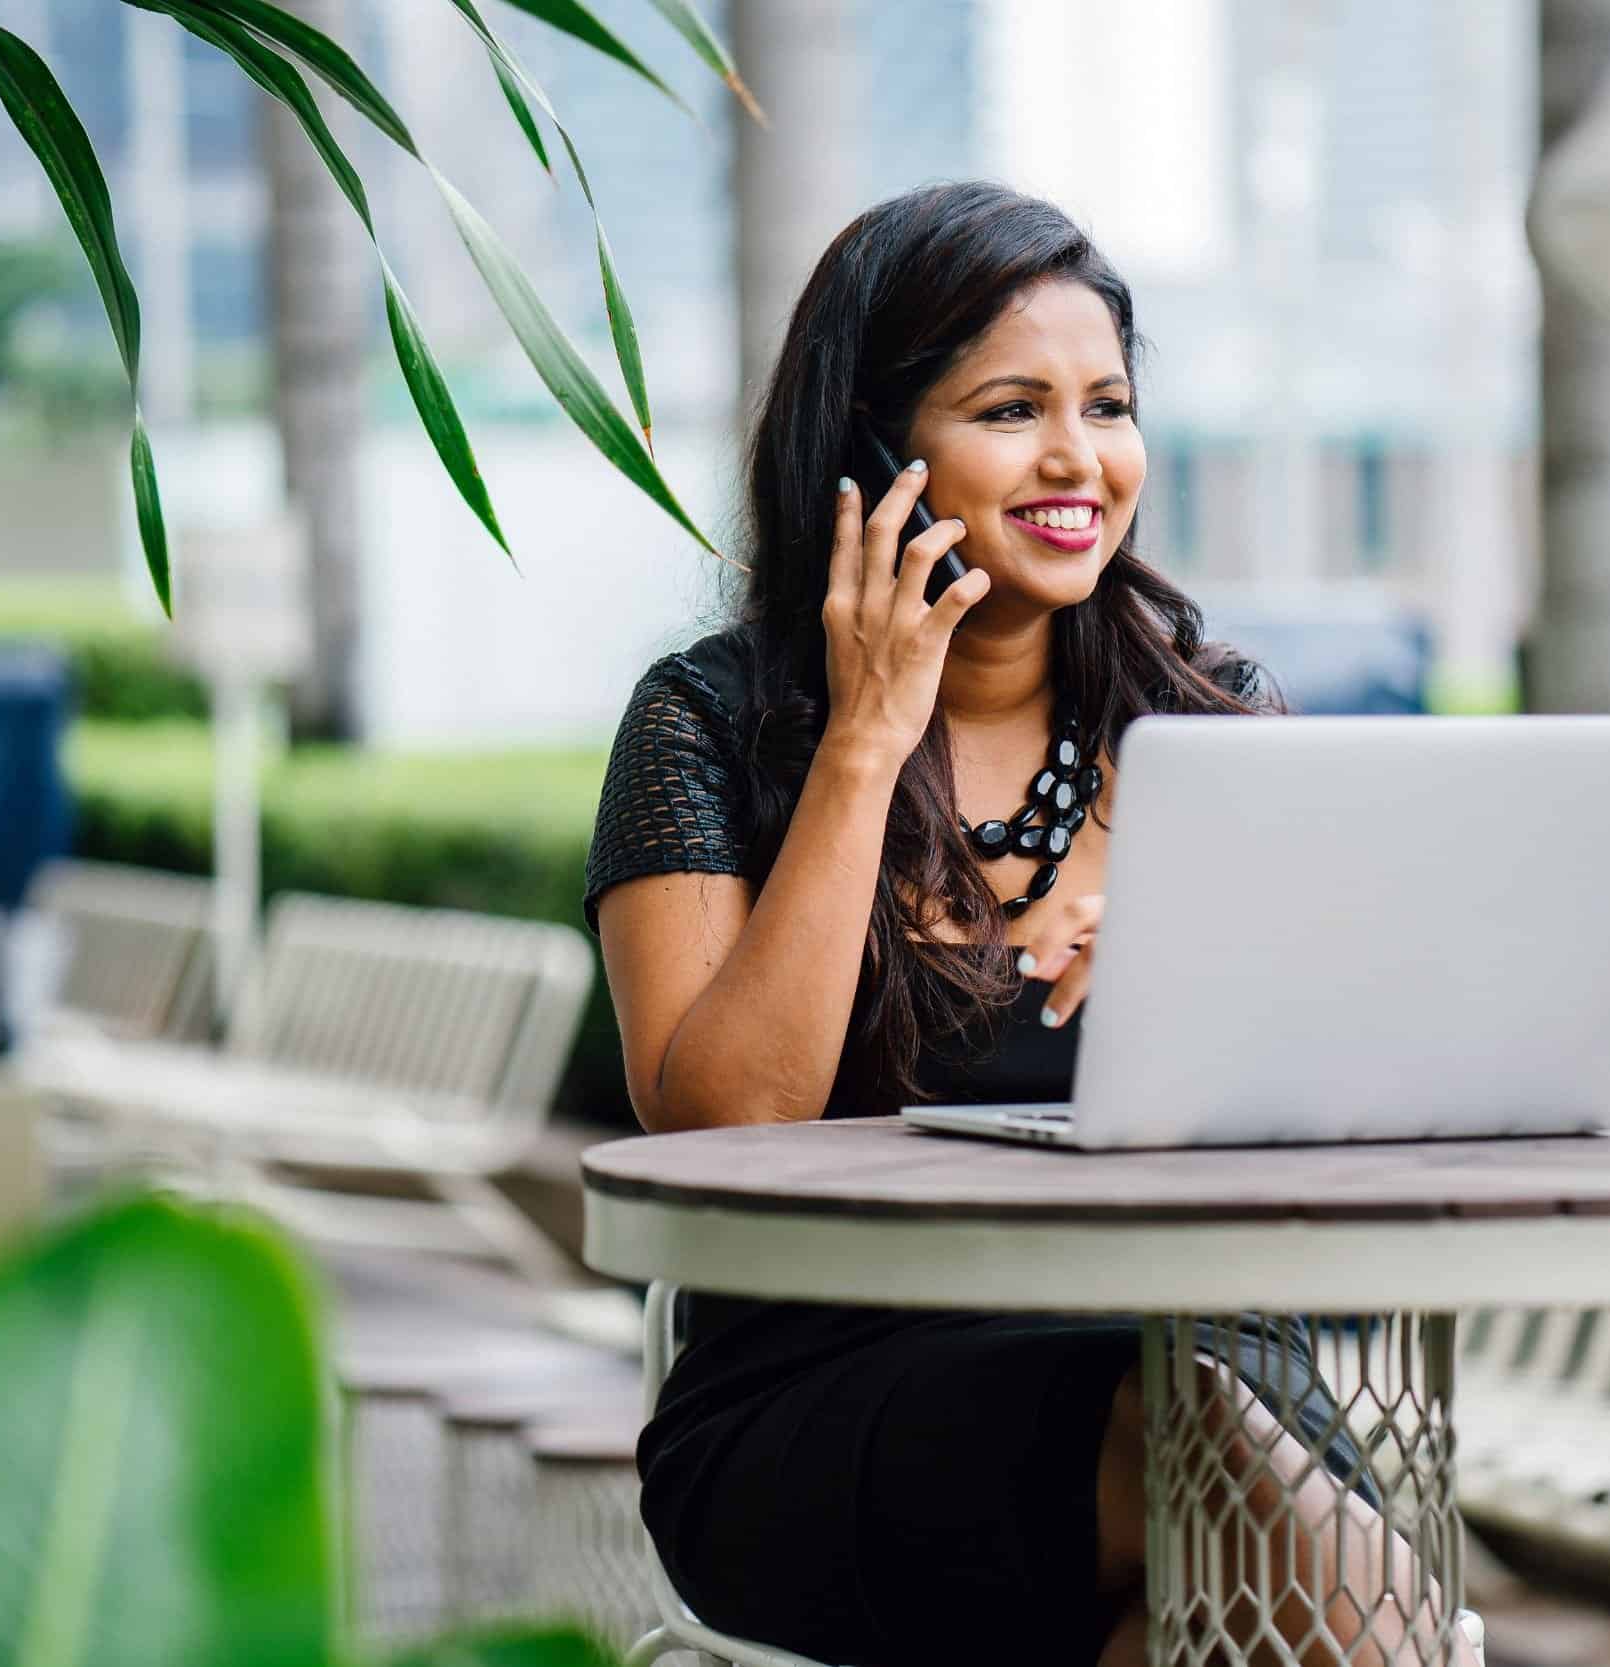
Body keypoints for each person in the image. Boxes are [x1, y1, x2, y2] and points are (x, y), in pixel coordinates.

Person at [587, 182, 1458, 1667]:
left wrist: (1237, 1012)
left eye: (1108, 405)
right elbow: (724, 1121)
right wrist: (866, 737)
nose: (1079, 460)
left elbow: (1364, 1118)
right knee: (1297, 1569)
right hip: (832, 1393)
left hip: (1200, 1355)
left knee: (1211, 1575)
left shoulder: (1216, 721)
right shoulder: (708, 725)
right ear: (872, 448)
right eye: (1011, 410)